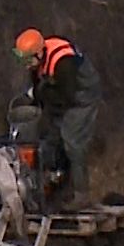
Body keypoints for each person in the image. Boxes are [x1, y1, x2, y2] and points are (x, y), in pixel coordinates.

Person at [14, 28, 103, 210]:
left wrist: (42, 94)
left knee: (72, 140)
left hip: (81, 95)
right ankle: (54, 182)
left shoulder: (63, 62)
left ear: (39, 54)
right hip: (61, 92)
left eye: (28, 61)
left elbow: (67, 96)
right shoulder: (37, 62)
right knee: (50, 136)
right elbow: (40, 88)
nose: (26, 66)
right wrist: (35, 100)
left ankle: (81, 194)